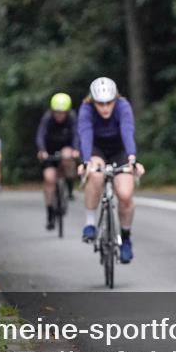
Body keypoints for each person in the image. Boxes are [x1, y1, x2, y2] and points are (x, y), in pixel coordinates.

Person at [76, 77, 144, 264]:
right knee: (95, 175)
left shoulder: (123, 106)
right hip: (96, 150)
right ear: (93, 101)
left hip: (119, 150)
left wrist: (132, 158)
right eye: (100, 104)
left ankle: (126, 238)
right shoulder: (86, 109)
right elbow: (85, 134)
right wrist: (86, 161)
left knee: (125, 195)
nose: (105, 108)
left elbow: (127, 130)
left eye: (109, 103)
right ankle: (90, 222)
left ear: (115, 99)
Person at [36, 92, 79, 230]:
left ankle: (69, 187)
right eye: (57, 112)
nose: (59, 115)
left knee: (68, 158)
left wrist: (75, 149)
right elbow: (40, 135)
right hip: (49, 151)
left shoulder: (72, 118)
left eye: (62, 113)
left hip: (65, 147)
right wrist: (42, 150)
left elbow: (76, 134)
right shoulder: (47, 118)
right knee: (49, 179)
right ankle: (50, 213)